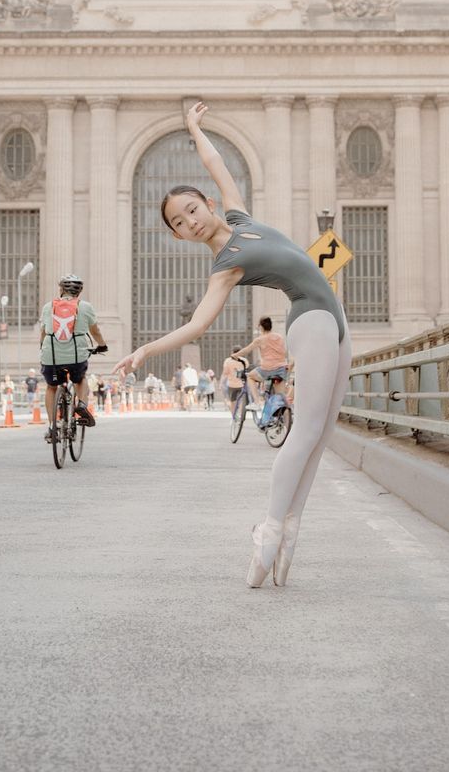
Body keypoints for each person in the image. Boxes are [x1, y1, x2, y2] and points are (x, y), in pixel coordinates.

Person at [113, 101, 351, 589]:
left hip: (338, 320)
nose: (190, 222)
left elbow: (216, 165)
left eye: (192, 210)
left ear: (209, 205)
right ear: (180, 236)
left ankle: (291, 528)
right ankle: (268, 527)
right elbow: (198, 326)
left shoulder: (242, 218)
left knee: (322, 437)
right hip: (312, 319)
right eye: (179, 223)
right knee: (304, 434)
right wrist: (146, 350)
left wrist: (193, 127)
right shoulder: (225, 265)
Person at [38, 273, 107, 439]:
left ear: (61, 289)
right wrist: (102, 345)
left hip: (51, 355)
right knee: (80, 379)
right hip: (76, 356)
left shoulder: (49, 307)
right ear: (79, 291)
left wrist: (43, 348)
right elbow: (95, 331)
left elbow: (43, 332)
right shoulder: (85, 307)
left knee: (51, 387)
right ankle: (82, 404)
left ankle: (52, 426)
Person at [234, 317, 289, 409]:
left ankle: (257, 402)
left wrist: (235, 355)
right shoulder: (279, 337)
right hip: (281, 369)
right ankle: (285, 415)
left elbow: (247, 350)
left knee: (250, 376)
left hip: (267, 369)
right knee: (281, 396)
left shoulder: (260, 339)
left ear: (261, 327)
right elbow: (284, 351)